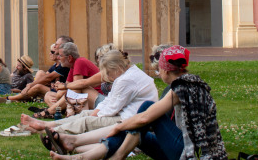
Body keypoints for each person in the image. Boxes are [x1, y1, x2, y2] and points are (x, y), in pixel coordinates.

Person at [51, 45, 227, 160]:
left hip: (184, 152)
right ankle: (79, 153)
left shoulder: (181, 88)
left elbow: (146, 117)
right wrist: (125, 126)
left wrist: (120, 127)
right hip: (183, 147)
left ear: (165, 69)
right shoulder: (193, 84)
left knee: (143, 111)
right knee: (135, 129)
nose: (158, 73)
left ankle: (109, 156)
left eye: (159, 69)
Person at [22, 50, 157, 135]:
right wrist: (95, 112)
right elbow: (111, 101)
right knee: (87, 114)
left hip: (129, 119)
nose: (108, 77)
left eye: (109, 73)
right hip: (127, 114)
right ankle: (47, 124)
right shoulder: (126, 74)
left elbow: (112, 106)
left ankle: (51, 130)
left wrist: (95, 114)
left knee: (87, 119)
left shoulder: (125, 79)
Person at [0, 37, 71, 104]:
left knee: (37, 86)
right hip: (58, 89)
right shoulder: (60, 64)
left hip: (62, 92)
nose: (54, 46)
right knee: (40, 75)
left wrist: (30, 85)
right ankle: (18, 98)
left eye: (56, 45)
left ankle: (9, 99)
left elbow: (48, 78)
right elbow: (47, 77)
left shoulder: (65, 63)